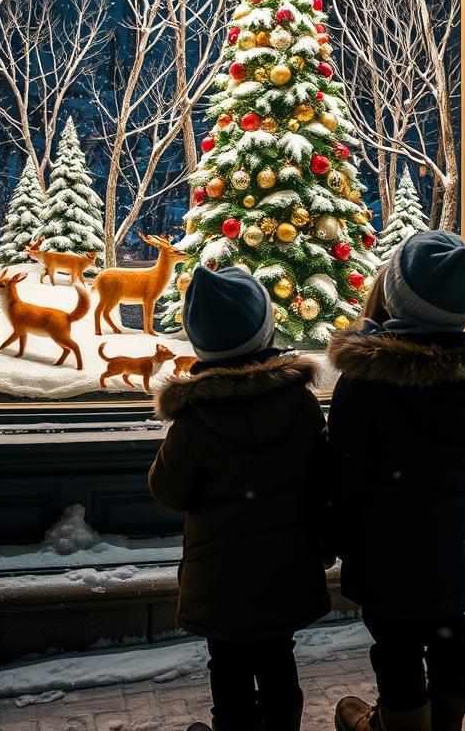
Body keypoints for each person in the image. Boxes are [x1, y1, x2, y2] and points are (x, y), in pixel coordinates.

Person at [327, 232, 465, 731]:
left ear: (395, 295)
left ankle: (402, 721)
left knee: (395, 645)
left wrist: (332, 536)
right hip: (462, 542)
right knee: (452, 630)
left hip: (387, 550)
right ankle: (447, 720)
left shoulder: (366, 379)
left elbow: (344, 470)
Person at [148, 266, 330, 731]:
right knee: (277, 657)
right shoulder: (301, 405)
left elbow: (168, 491)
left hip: (221, 582)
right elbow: (321, 477)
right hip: (285, 570)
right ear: (265, 330)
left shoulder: (195, 419)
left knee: (227, 667)